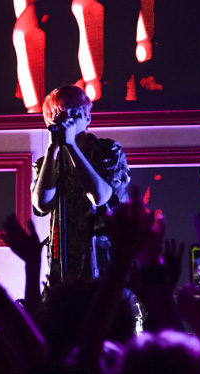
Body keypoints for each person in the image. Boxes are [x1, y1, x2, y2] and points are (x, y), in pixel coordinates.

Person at [32, 84, 130, 288]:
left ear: (87, 117)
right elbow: (42, 204)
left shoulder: (108, 150)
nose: (68, 121)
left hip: (104, 264)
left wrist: (71, 146)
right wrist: (52, 150)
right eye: (60, 116)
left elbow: (100, 197)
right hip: (63, 269)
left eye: (74, 114)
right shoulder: (45, 165)